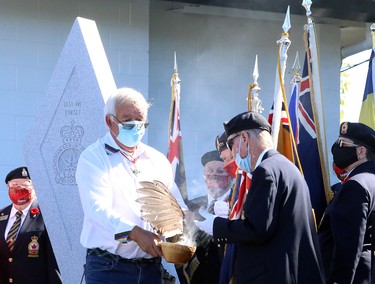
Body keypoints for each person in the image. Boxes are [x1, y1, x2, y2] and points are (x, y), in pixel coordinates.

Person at [194, 111, 325, 284]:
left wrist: (216, 225)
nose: (233, 154)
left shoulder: (265, 171)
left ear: (245, 138)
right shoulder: (285, 166)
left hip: (272, 275)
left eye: (232, 145)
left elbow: (257, 229)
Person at [76, 87, 184, 284]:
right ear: (109, 121)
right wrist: (135, 232)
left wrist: (182, 225)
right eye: (127, 121)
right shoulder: (93, 158)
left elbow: (174, 203)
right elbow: (96, 209)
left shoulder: (156, 159)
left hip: (151, 268)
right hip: (109, 268)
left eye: (140, 119)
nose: (135, 125)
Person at [318, 121, 375, 284]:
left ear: (361, 151)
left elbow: (347, 249)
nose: (336, 148)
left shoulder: (355, 185)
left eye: (343, 143)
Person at [0, 166, 61, 284]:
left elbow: (53, 263)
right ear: (8, 187)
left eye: (25, 184)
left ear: (35, 186)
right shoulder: (1, 216)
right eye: (15, 184)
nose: (19, 187)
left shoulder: (48, 215)